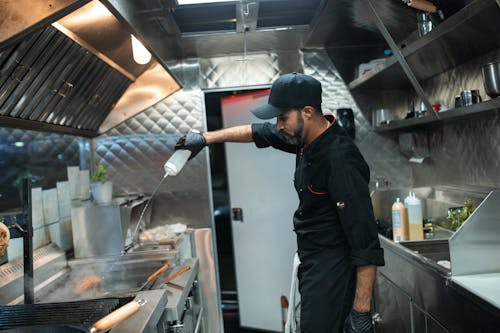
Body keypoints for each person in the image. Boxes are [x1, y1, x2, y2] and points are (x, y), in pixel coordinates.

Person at [175, 72, 385, 333]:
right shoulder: (305, 140)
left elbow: (365, 240)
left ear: (307, 112)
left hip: (334, 271)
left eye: (282, 117)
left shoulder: (340, 159)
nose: (278, 126)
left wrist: (361, 311)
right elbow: (255, 132)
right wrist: (206, 139)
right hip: (313, 262)